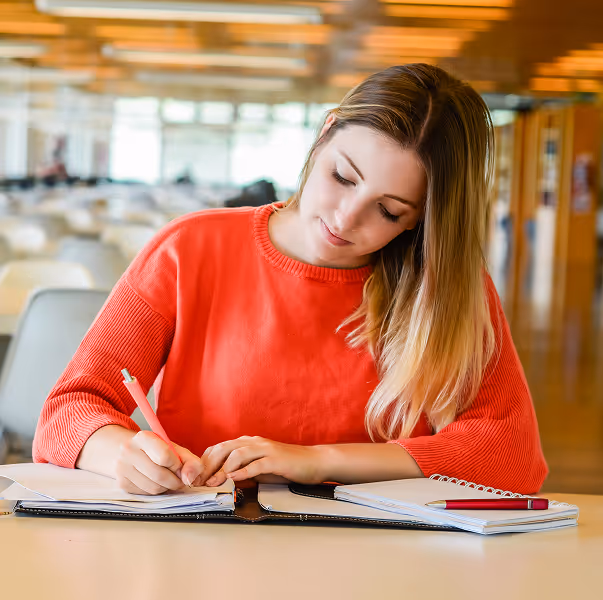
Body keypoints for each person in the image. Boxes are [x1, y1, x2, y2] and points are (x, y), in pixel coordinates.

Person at [33, 64, 548, 496]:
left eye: (389, 211)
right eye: (342, 177)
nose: (345, 219)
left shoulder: (445, 286)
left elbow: (511, 455)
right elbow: (68, 412)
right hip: (203, 547)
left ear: (422, 219)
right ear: (324, 133)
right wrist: (121, 453)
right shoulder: (189, 248)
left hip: (381, 564)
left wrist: (319, 461)